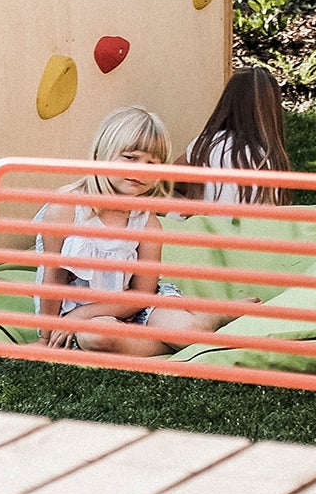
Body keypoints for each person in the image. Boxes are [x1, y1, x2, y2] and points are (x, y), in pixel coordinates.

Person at [35, 106, 257, 354]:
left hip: (134, 304)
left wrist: (83, 314)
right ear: (102, 154)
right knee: (96, 337)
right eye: (130, 157)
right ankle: (170, 340)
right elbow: (53, 277)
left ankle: (212, 317)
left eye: (152, 163)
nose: (141, 169)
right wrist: (46, 338)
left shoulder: (147, 223)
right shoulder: (65, 209)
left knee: (190, 332)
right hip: (84, 318)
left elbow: (143, 293)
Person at [182, 66, 292, 205]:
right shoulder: (270, 159)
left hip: (205, 225)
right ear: (272, 111)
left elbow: (168, 181)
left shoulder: (204, 145)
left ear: (228, 101)